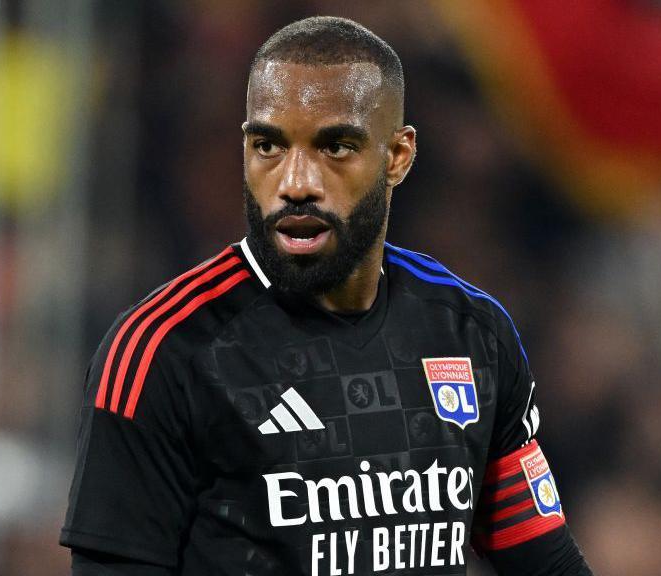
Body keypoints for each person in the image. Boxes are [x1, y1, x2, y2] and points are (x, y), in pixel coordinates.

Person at [61, 16, 593, 576]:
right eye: (268, 145)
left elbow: (546, 563)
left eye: (334, 146)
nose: (296, 182)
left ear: (397, 156)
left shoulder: (469, 333)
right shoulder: (163, 352)